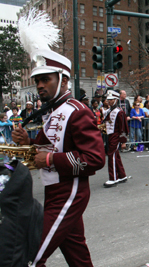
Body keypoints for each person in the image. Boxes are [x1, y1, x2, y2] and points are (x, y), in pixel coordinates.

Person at [14, 10, 106, 266]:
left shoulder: (77, 111)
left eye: (45, 80)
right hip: (54, 189)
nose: (40, 85)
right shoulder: (52, 112)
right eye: (37, 81)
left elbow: (96, 159)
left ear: (63, 80)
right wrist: (26, 143)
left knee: (29, 255)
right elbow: (41, 149)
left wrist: (51, 158)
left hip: (70, 191)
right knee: (77, 254)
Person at [103, 90, 130, 188]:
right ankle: (122, 175)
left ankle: (113, 178)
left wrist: (123, 141)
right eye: (108, 100)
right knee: (115, 156)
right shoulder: (109, 110)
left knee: (111, 155)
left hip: (116, 136)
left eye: (111, 100)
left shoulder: (120, 112)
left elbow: (123, 128)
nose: (109, 101)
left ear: (116, 100)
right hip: (110, 135)